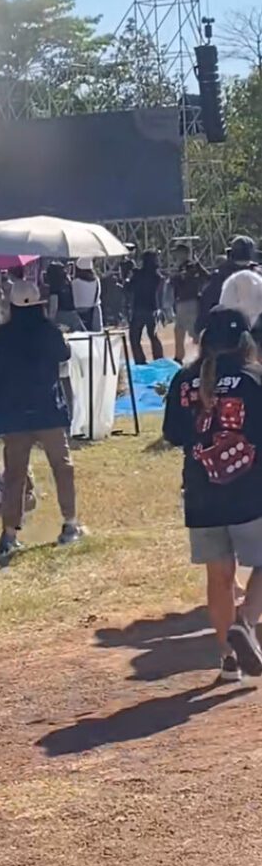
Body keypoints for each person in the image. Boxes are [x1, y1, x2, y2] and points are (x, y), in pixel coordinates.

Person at [163, 306, 262, 681]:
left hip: (201, 493)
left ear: (203, 339)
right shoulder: (254, 378)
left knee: (219, 576)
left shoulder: (183, 379)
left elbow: (173, 434)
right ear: (245, 341)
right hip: (250, 492)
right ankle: (246, 622)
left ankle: (228, 660)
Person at [0, 280, 83, 556]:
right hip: (47, 409)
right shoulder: (48, 331)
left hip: (15, 413)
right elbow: (64, 354)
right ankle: (70, 523)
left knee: (15, 474)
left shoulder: (1, 336)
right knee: (62, 467)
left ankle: (9, 535)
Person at [196, 235, 259, 333]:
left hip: (229, 330)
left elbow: (208, 300)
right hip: (256, 329)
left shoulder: (221, 274)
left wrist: (200, 325)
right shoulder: (258, 273)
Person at [170, 243, 209, 363]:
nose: (176, 255)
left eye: (178, 252)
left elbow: (207, 277)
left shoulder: (191, 266)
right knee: (179, 330)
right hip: (181, 302)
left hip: (190, 302)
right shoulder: (180, 267)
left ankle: (206, 356)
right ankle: (179, 357)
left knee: (194, 332)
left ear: (185, 253)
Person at [127, 250, 164, 364]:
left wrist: (128, 277)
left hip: (139, 308)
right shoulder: (156, 276)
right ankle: (159, 359)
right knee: (153, 335)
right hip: (152, 308)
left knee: (134, 337)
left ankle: (140, 360)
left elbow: (128, 288)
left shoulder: (138, 274)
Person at [46, 262, 85, 331]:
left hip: (61, 315)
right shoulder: (68, 283)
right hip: (74, 315)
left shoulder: (55, 286)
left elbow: (53, 308)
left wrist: (49, 323)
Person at [71, 258, 103, 332]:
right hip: (93, 310)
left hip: (77, 311)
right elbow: (98, 295)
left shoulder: (74, 282)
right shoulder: (96, 280)